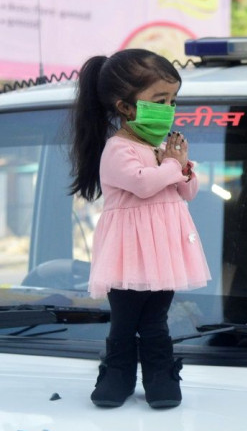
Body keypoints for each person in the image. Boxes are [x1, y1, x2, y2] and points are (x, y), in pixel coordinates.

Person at [69, 49, 210, 409]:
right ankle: (117, 378)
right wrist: (174, 166)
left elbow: (188, 191)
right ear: (126, 107)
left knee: (155, 321)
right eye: (159, 100)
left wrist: (183, 167)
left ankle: (161, 379)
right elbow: (144, 184)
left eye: (173, 100)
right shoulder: (118, 149)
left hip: (162, 256)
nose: (169, 108)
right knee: (124, 320)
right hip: (127, 257)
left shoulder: (161, 148)